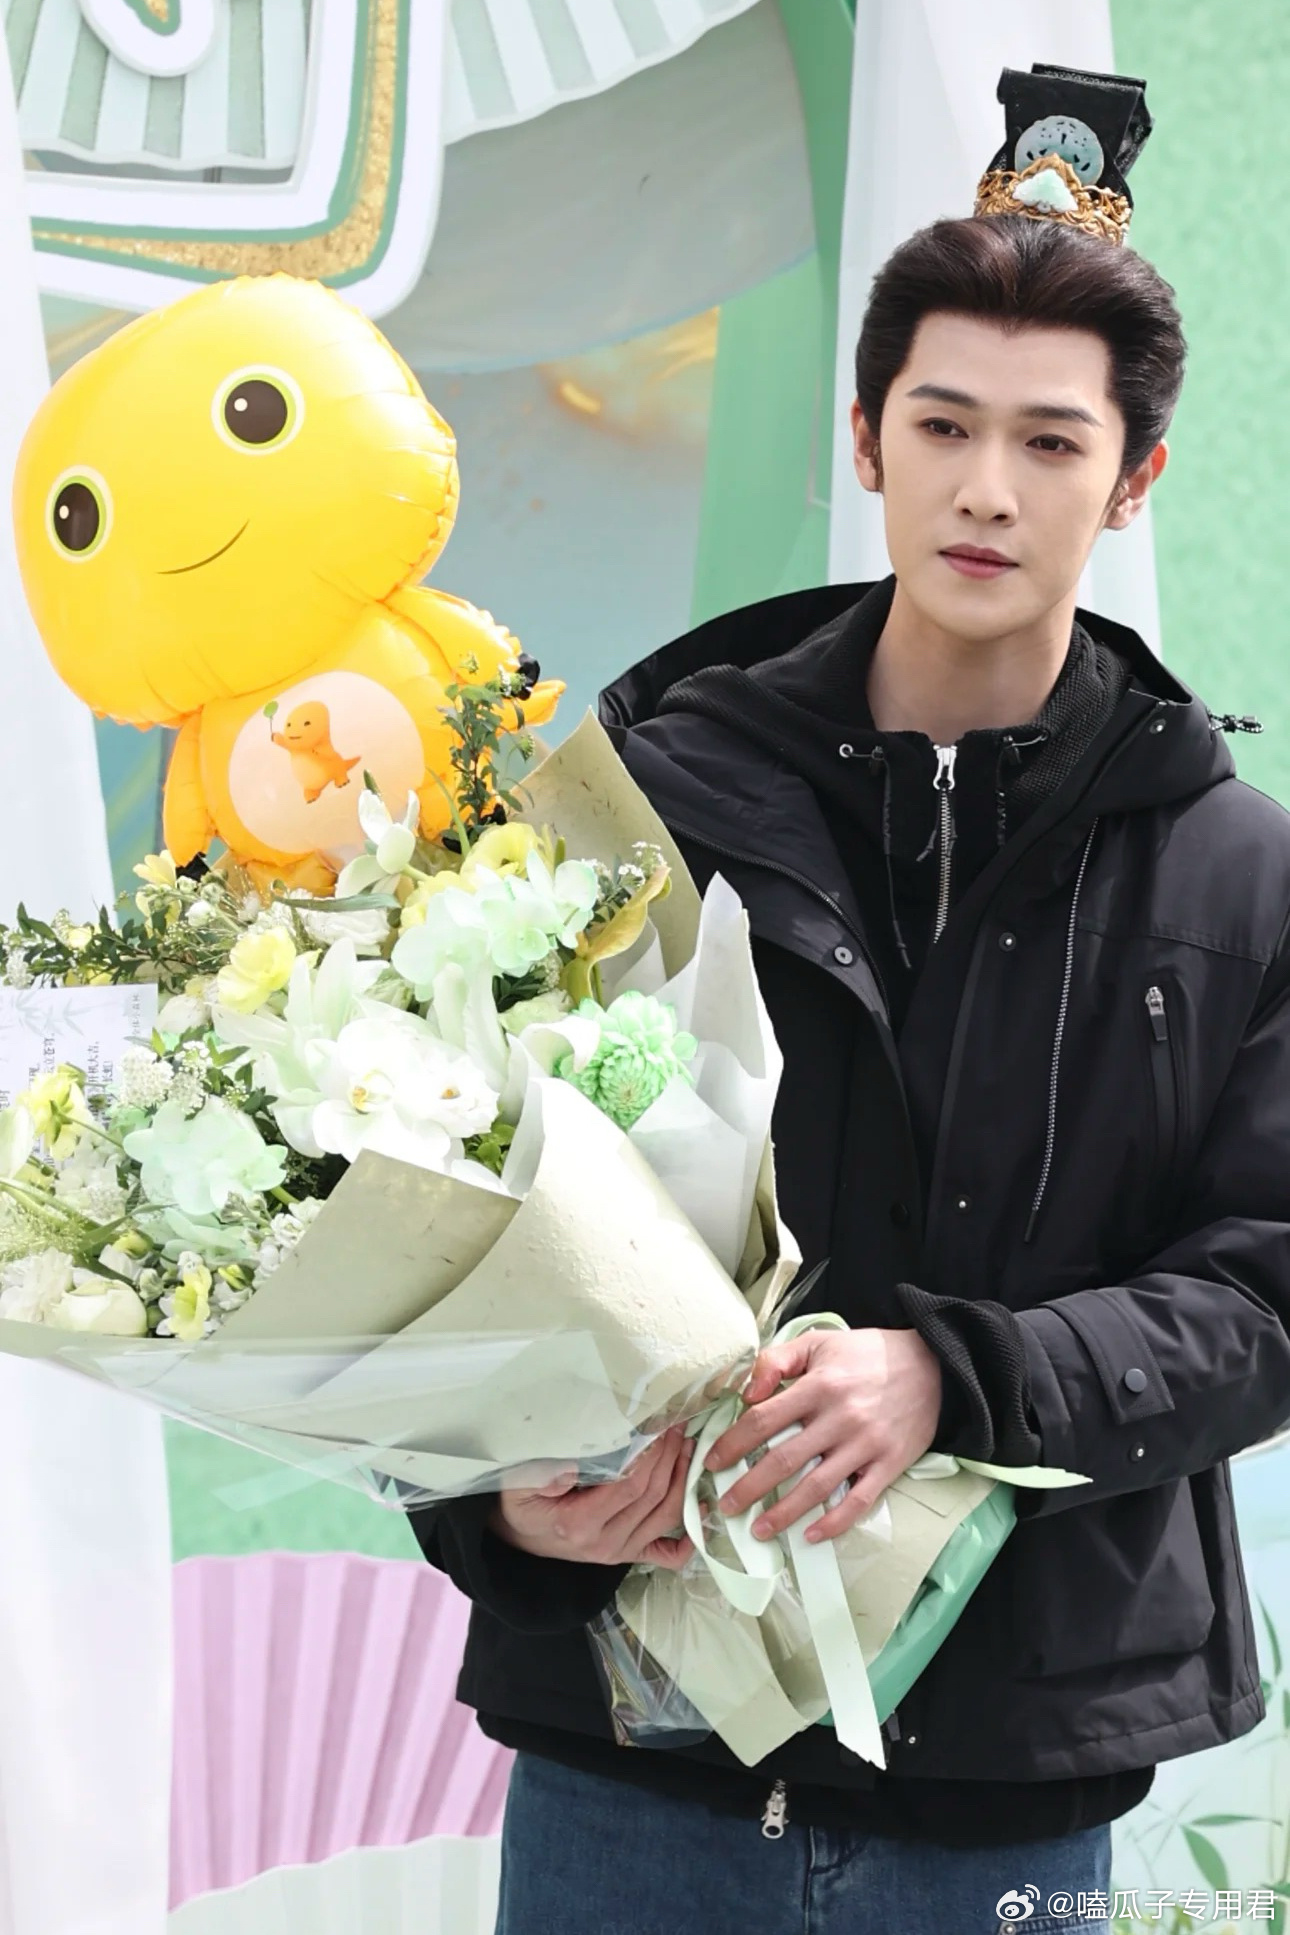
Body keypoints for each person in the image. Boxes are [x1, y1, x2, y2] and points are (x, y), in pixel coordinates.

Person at [413, 65, 1290, 1934]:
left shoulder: (1236, 876)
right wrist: (498, 1509)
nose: (986, 490)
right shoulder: (637, 806)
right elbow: (457, 1211)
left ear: (1131, 478)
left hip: (996, 1780)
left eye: (1049, 442)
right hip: (623, 1758)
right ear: (867, 436)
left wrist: (951, 1377)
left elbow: (1265, 1293)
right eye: (942, 424)